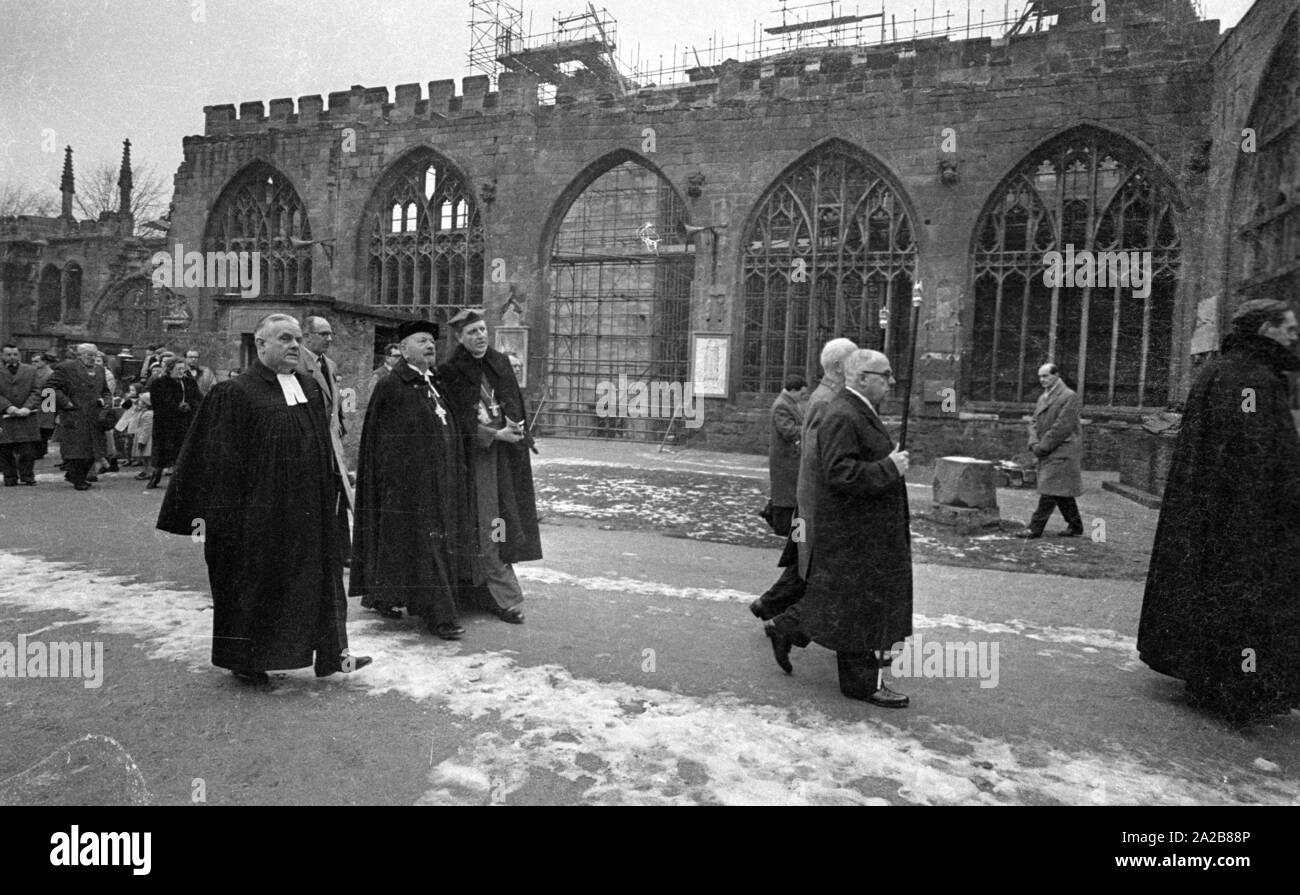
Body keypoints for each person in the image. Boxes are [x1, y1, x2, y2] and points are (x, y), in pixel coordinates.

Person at [156, 313, 371, 684]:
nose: (294, 346)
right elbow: (217, 461)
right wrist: (224, 520)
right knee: (255, 585)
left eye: (298, 339)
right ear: (260, 345)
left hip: (306, 509)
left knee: (314, 581)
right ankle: (248, 661)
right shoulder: (235, 392)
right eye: (285, 339)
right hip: (257, 513)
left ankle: (332, 655)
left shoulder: (307, 385)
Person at [1138, 298, 1300, 725]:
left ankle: (1210, 681)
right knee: (1243, 604)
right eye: (1288, 328)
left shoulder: (1219, 371)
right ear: (1265, 329)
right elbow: (1253, 451)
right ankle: (1236, 689)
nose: (1294, 335)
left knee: (1214, 596)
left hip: (1214, 516)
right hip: (1246, 519)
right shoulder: (1251, 381)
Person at [766, 349, 913, 708]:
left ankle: (786, 627)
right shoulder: (843, 413)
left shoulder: (857, 410)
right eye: (886, 374)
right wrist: (889, 468)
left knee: (843, 601)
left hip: (861, 527)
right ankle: (861, 684)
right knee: (858, 605)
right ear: (862, 378)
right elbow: (840, 472)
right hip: (852, 529)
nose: (892, 382)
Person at [351, 320, 472, 640]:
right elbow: (385, 442)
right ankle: (439, 615)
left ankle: (384, 595)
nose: (430, 345)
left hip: (441, 482)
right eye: (421, 341)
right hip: (412, 487)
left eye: (432, 340)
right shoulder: (393, 385)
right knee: (424, 546)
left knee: (420, 545)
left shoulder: (432, 382)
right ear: (403, 349)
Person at [439, 309, 542, 625]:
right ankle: (503, 597)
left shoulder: (498, 363)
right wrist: (493, 434)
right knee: (487, 524)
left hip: (505, 456)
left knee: (504, 519)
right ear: (459, 337)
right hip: (476, 458)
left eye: (482, 330)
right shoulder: (452, 371)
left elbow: (512, 401)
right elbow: (457, 420)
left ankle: (486, 591)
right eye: (472, 332)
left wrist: (517, 428)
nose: (480, 336)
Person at [751, 339, 856, 621]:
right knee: (806, 563)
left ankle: (774, 611)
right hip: (809, 496)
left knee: (804, 562)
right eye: (854, 359)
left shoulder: (822, 398)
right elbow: (812, 448)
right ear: (837, 366)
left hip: (807, 497)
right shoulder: (824, 401)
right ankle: (785, 622)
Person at [298, 316, 353, 563]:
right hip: (309, 443)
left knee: (336, 493)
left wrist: (340, 424)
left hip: (331, 442)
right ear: (307, 335)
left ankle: (339, 551)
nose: (329, 338)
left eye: (330, 333)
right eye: (323, 334)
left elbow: (335, 401)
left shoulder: (328, 364)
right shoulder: (297, 363)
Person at [1015, 363, 1084, 538]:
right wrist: (1034, 442)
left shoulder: (1069, 396)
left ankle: (1034, 528)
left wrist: (1042, 447)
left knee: (1049, 489)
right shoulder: (1043, 397)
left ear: (1056, 375)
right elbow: (1033, 422)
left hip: (1062, 450)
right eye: (1040, 376)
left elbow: (1062, 427)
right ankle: (1075, 526)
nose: (1042, 380)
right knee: (1060, 491)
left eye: (1046, 376)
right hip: (1048, 450)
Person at [45, 343, 111, 491]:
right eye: (88, 355)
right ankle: (78, 479)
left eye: (95, 355)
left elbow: (106, 391)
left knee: (94, 451)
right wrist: (66, 403)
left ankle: (74, 475)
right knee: (79, 451)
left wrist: (106, 403)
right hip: (75, 415)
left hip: (95, 416)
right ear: (79, 355)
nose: (92, 358)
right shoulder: (66, 368)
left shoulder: (100, 370)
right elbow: (49, 388)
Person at [145, 357, 200, 490]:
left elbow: (198, 398)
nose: (181, 372)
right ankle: (156, 476)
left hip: (184, 422)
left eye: (183, 369)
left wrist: (190, 406)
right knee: (162, 451)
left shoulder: (189, 382)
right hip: (165, 423)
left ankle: (180, 480)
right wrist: (176, 406)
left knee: (182, 451)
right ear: (169, 370)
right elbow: (157, 403)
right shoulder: (159, 383)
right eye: (178, 369)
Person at [0, 344, 42, 486]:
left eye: (15, 354)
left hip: (26, 416)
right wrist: (8, 407)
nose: (12, 357)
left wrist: (27, 407)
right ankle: (10, 477)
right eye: (8, 354)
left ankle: (27, 475)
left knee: (28, 450)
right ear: (2, 355)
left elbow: (37, 391)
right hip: (4, 417)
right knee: (5, 450)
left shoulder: (31, 370)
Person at [30, 352, 56, 459]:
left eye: (36, 361)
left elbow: (50, 391)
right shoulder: (33, 372)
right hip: (36, 403)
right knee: (37, 428)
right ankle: (38, 450)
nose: (34, 364)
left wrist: (47, 408)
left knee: (43, 429)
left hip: (46, 402)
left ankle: (40, 451)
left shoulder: (50, 374)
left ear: (44, 362)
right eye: (32, 362)